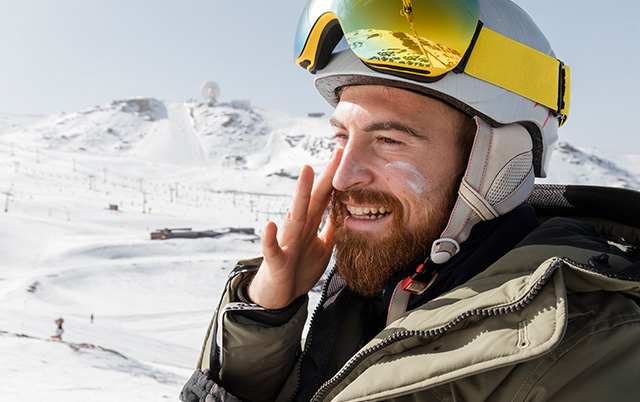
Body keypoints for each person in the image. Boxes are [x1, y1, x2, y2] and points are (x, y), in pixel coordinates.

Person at [181, 0, 640, 401]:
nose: (342, 176)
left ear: (498, 161)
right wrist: (264, 317)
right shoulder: (379, 293)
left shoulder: (591, 348)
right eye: (342, 135)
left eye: (388, 140)